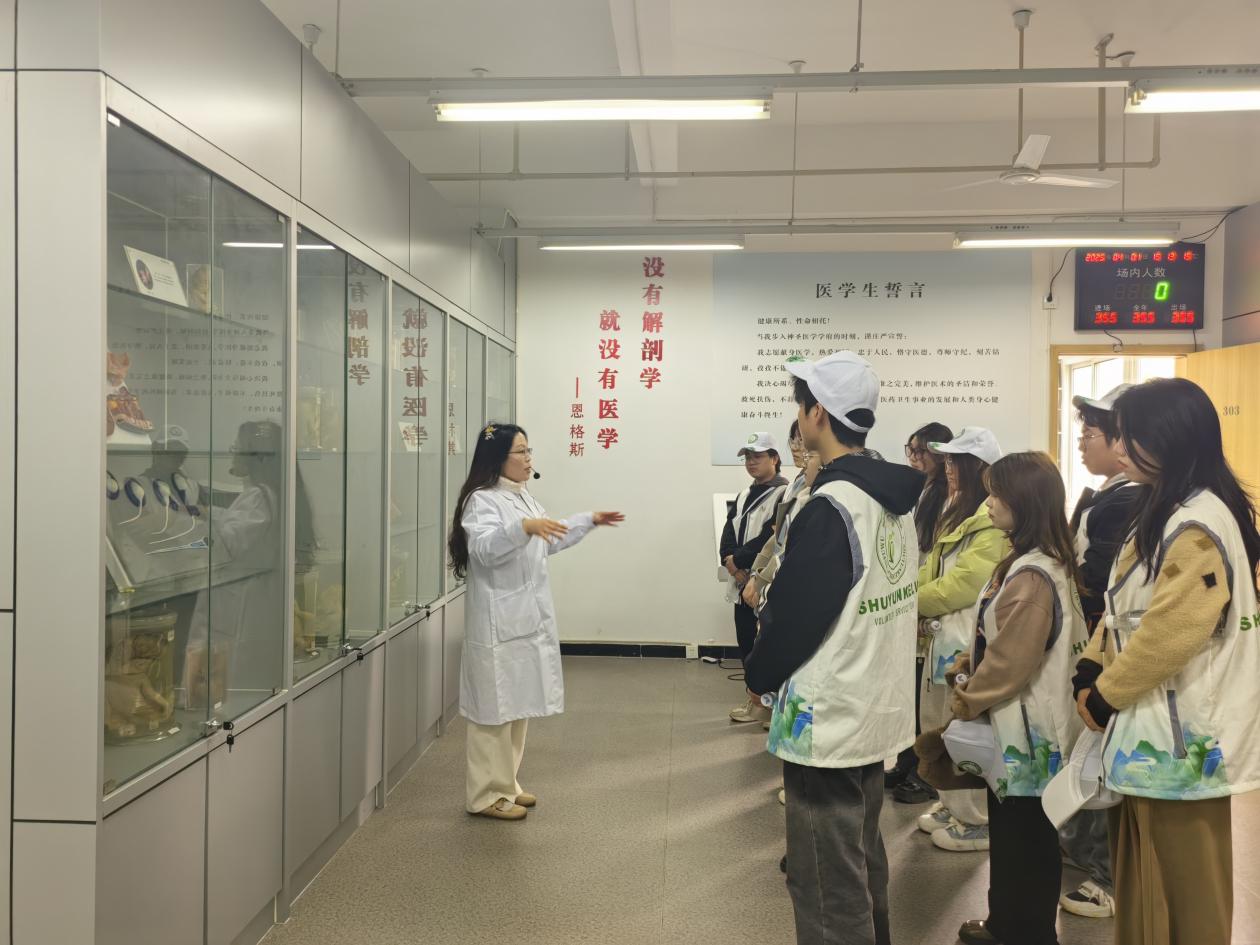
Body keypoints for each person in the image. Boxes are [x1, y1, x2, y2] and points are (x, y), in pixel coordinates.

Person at [744, 352, 923, 945]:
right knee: (860, 856)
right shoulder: (891, 497)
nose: (799, 419)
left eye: (801, 407)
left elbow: (798, 617)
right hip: (872, 703)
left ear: (817, 412)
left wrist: (759, 670)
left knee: (825, 878)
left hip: (830, 715)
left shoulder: (833, 504)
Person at [1073, 378, 1260, 945]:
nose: (1118, 447)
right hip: (1150, 729)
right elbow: (1124, 607)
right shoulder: (1163, 507)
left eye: (1130, 435)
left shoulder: (1199, 523)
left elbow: (1171, 633)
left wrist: (1105, 695)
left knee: (1190, 898)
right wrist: (1090, 665)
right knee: (1144, 885)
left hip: (1181, 740)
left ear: (1171, 439)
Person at [449, 422, 624, 821]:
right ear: (499, 458)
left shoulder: (521, 496)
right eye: (521, 452)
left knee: (516, 706)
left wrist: (587, 520)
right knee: (492, 711)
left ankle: (506, 784)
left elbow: (550, 539)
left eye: (529, 451)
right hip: (496, 623)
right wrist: (522, 528)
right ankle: (484, 796)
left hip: (522, 618)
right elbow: (484, 549)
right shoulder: (482, 500)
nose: (529, 459)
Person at [947, 452, 1088, 945]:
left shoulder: (1032, 573)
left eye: (996, 494)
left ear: (1024, 501)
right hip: (1032, 731)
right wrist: (971, 658)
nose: (988, 504)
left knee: (1024, 840)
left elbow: (1012, 661)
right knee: (1018, 837)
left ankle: (1023, 932)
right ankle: (1007, 924)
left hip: (1027, 736)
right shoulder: (1040, 560)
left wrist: (968, 698)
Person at [1058, 384, 1144, 920]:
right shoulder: (1112, 496)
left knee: (1104, 759)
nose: (1081, 443)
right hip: (1099, 647)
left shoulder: (1126, 501)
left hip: (1112, 655)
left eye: (1089, 434)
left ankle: (1108, 878)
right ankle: (1093, 859)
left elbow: (1102, 588)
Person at [915, 427, 1010, 852]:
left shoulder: (990, 522)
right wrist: (912, 599)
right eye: (949, 460)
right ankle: (950, 801)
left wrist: (912, 603)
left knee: (961, 729)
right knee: (937, 723)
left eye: (958, 461)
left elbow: (964, 585)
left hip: (961, 640)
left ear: (980, 469)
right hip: (940, 637)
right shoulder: (956, 510)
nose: (949, 468)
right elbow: (932, 569)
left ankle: (976, 818)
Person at [886, 421, 954, 805]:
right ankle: (907, 762)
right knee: (910, 691)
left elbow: (930, 553)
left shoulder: (943, 495)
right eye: (910, 450)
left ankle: (924, 774)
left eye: (921, 451)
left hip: (928, 603)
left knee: (925, 698)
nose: (913, 458)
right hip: (914, 595)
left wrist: (915, 599)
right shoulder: (921, 490)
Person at [721, 432, 789, 723]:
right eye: (748, 457)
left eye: (758, 456)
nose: (751, 462)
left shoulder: (784, 493)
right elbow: (728, 532)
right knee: (746, 643)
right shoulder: (743, 495)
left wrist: (740, 561)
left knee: (769, 647)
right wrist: (731, 563)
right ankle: (754, 703)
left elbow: (769, 538)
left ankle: (773, 708)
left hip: (765, 583)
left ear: (774, 458)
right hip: (740, 583)